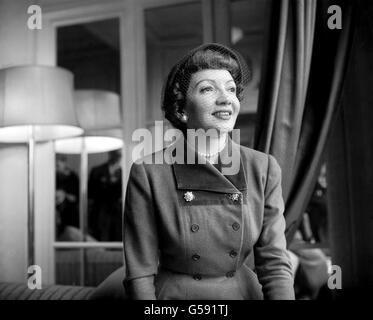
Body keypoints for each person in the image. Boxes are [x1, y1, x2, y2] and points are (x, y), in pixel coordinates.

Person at [123, 43, 294, 300]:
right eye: (207, 89)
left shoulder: (263, 167)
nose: (226, 98)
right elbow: (140, 272)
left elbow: (275, 263)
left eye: (231, 90)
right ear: (181, 109)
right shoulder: (148, 172)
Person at [88, 149, 123, 241]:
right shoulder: (96, 171)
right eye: (115, 152)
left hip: (120, 216)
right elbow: (91, 196)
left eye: (119, 154)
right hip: (100, 215)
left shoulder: (127, 171)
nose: (117, 156)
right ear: (110, 153)